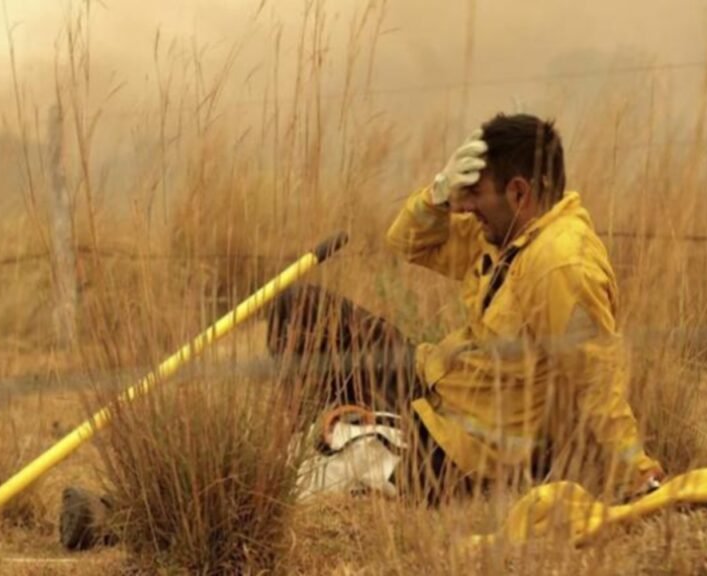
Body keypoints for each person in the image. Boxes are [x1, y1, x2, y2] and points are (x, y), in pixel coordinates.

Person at [266, 113, 665, 503]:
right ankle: (321, 430)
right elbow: (407, 243)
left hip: (468, 448)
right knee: (298, 308)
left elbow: (595, 378)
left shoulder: (563, 262)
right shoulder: (503, 231)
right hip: (435, 383)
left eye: (475, 193)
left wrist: (636, 472)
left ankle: (341, 441)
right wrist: (438, 195)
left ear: (519, 193)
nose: (467, 206)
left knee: (315, 470)